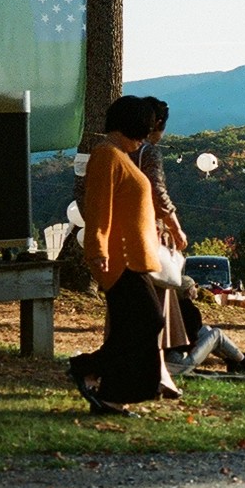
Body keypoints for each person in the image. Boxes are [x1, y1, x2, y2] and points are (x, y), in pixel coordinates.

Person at [66, 95, 167, 415]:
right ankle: (88, 370)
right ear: (135, 125)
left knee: (133, 327)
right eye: (147, 128)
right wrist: (96, 249)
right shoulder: (107, 155)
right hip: (117, 257)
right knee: (148, 321)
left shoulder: (120, 155)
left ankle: (110, 396)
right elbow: (98, 206)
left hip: (132, 258)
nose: (149, 135)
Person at [135, 97, 188, 399]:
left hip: (123, 234)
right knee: (155, 303)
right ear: (158, 124)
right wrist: (175, 225)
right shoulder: (148, 152)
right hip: (149, 233)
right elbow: (157, 191)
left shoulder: (117, 151)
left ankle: (159, 372)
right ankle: (158, 371)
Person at [166, 276, 245, 376]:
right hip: (180, 363)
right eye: (195, 286)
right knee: (216, 333)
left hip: (168, 359)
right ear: (189, 291)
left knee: (206, 330)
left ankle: (231, 361)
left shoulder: (172, 308)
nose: (197, 289)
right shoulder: (191, 311)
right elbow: (192, 341)